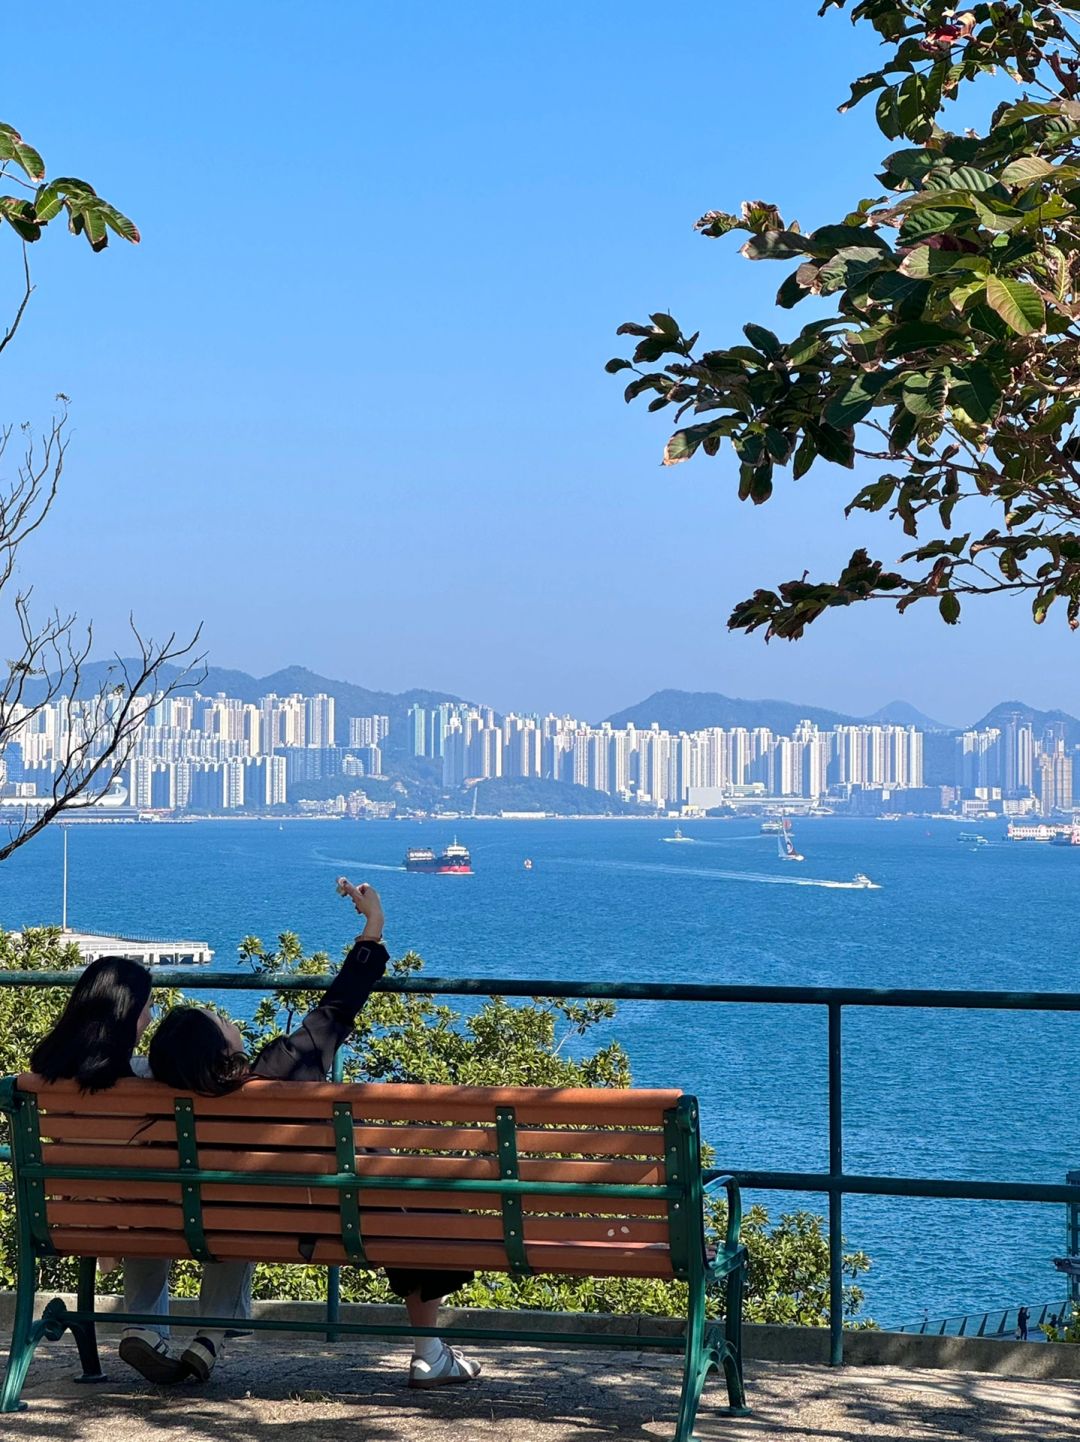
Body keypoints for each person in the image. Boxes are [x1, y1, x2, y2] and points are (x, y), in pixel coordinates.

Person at [148, 878, 481, 1390]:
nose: (227, 1017)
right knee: (419, 1200)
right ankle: (428, 1350)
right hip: (329, 1220)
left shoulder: (165, 1102)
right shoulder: (279, 1069)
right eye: (219, 1019)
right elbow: (335, 1011)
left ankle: (203, 1336)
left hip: (236, 1224)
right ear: (219, 1048)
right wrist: (374, 926)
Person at [28, 955, 253, 1386]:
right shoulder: (149, 1077)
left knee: (145, 1203)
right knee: (224, 1207)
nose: (151, 1017)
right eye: (148, 1007)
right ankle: (210, 1336)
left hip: (71, 1221)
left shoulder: (41, 1077)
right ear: (127, 1014)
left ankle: (144, 1327)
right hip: (152, 1218)